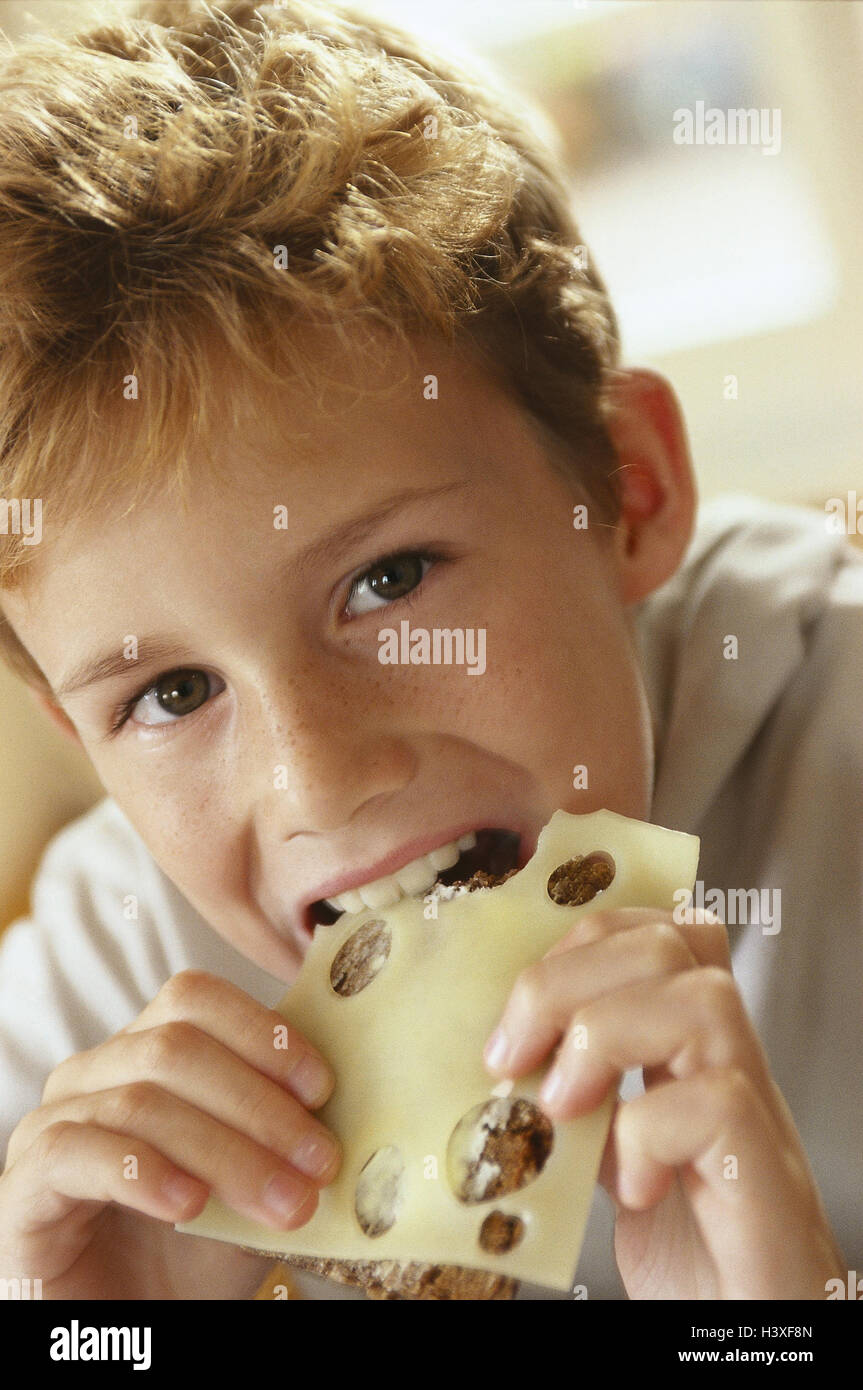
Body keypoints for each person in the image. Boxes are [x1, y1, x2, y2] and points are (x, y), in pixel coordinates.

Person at [0, 0, 858, 1301]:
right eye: (171, 691)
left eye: (385, 581)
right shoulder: (97, 986)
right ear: (84, 744)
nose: (316, 780)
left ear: (626, 492)